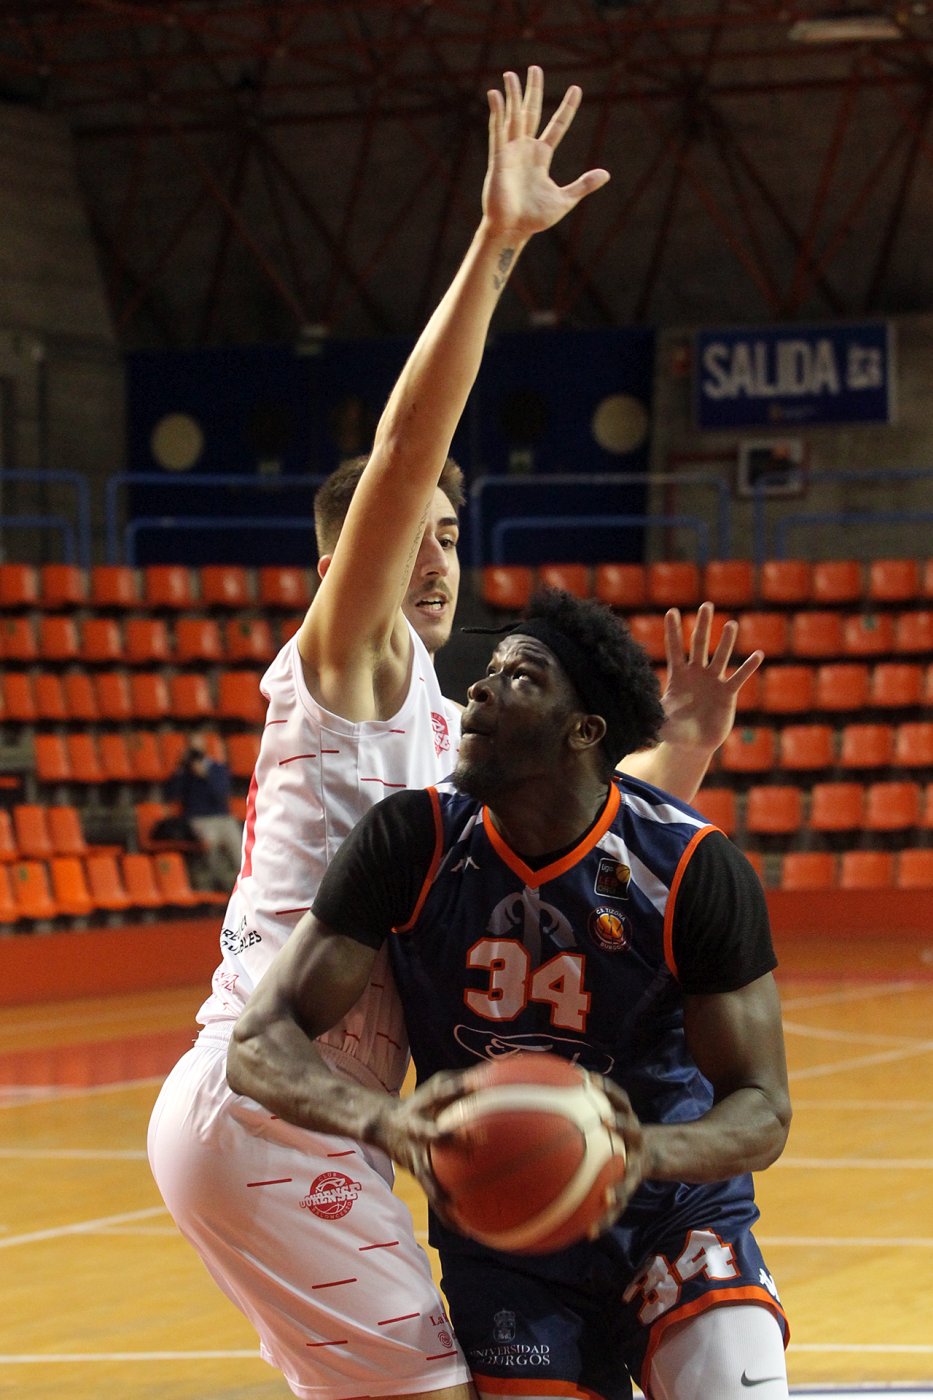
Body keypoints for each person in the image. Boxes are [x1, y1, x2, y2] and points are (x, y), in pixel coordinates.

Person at [149, 67, 762, 1400]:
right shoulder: (341, 666)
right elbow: (406, 443)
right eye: (401, 532)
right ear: (344, 563)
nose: (431, 551)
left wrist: (687, 753)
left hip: (308, 1118)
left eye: (447, 533)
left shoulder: (438, 725)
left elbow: (559, 827)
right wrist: (495, 247)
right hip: (268, 1104)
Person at [227, 586, 792, 1400]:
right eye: (486, 672)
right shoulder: (408, 839)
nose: (483, 688)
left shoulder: (692, 867)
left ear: (585, 731)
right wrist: (384, 1120)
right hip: (503, 1229)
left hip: (675, 1213)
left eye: (521, 676)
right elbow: (256, 1042)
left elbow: (762, 1110)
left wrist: (636, 1155)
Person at [164, 731, 243, 890]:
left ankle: (245, 882)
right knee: (210, 842)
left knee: (238, 844)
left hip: (223, 818)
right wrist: (181, 768)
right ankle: (222, 884)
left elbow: (222, 794)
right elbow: (171, 794)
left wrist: (206, 775)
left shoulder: (217, 768)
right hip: (199, 819)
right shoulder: (185, 773)